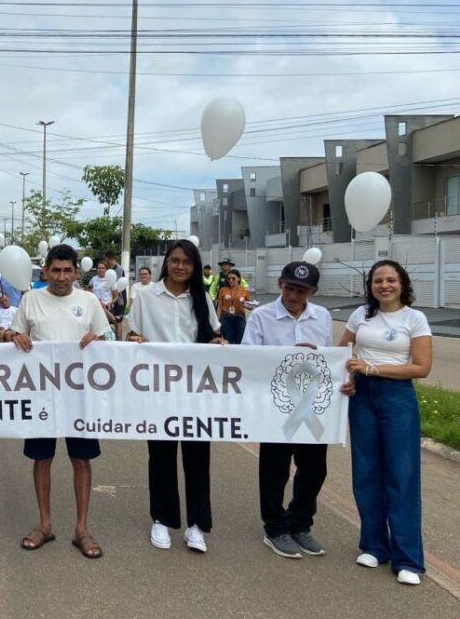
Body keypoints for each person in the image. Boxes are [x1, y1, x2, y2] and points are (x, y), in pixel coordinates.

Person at [4, 244, 110, 559]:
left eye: (68, 271)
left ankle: (82, 529)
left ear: (77, 272)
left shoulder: (89, 301)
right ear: (46, 271)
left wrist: (98, 339)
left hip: (80, 396)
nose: (62, 277)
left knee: (81, 459)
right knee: (42, 459)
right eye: (56, 270)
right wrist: (14, 337)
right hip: (40, 395)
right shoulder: (30, 300)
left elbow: (107, 341)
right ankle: (45, 525)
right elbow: (12, 336)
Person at [338, 260, 432, 586]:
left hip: (397, 399)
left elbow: (421, 367)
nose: (384, 285)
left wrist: (371, 368)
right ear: (371, 285)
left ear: (402, 283)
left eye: (391, 279)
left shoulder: (414, 319)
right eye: (378, 280)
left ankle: (407, 558)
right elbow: (341, 353)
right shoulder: (360, 315)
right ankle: (374, 546)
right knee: (366, 472)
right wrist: (347, 377)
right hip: (362, 398)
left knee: (401, 475)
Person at [127, 239, 224, 553]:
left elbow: (214, 335)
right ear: (166, 262)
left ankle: (197, 525)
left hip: (196, 393)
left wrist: (219, 344)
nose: (180, 266)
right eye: (175, 260)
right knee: (161, 457)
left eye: (187, 262)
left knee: (198, 459)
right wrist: (133, 338)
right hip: (158, 391)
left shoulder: (202, 298)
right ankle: (162, 518)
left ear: (194, 267)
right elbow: (131, 334)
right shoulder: (145, 296)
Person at [242, 261, 332, 560]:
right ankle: (275, 528)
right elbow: (249, 359)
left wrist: (319, 357)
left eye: (302, 290)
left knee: (313, 468)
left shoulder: (322, 317)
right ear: (280, 284)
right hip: (276, 406)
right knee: (274, 469)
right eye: (290, 287)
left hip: (312, 407)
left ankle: (300, 523)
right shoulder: (261, 317)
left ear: (313, 291)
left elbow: (331, 359)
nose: (294, 295)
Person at [216, 269, 252, 344]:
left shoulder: (244, 290)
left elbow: (250, 306)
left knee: (241, 341)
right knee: (228, 342)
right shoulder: (223, 289)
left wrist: (244, 303)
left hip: (240, 317)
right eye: (229, 279)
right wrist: (217, 322)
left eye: (233, 278)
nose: (231, 280)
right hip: (226, 318)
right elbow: (219, 307)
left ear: (238, 278)